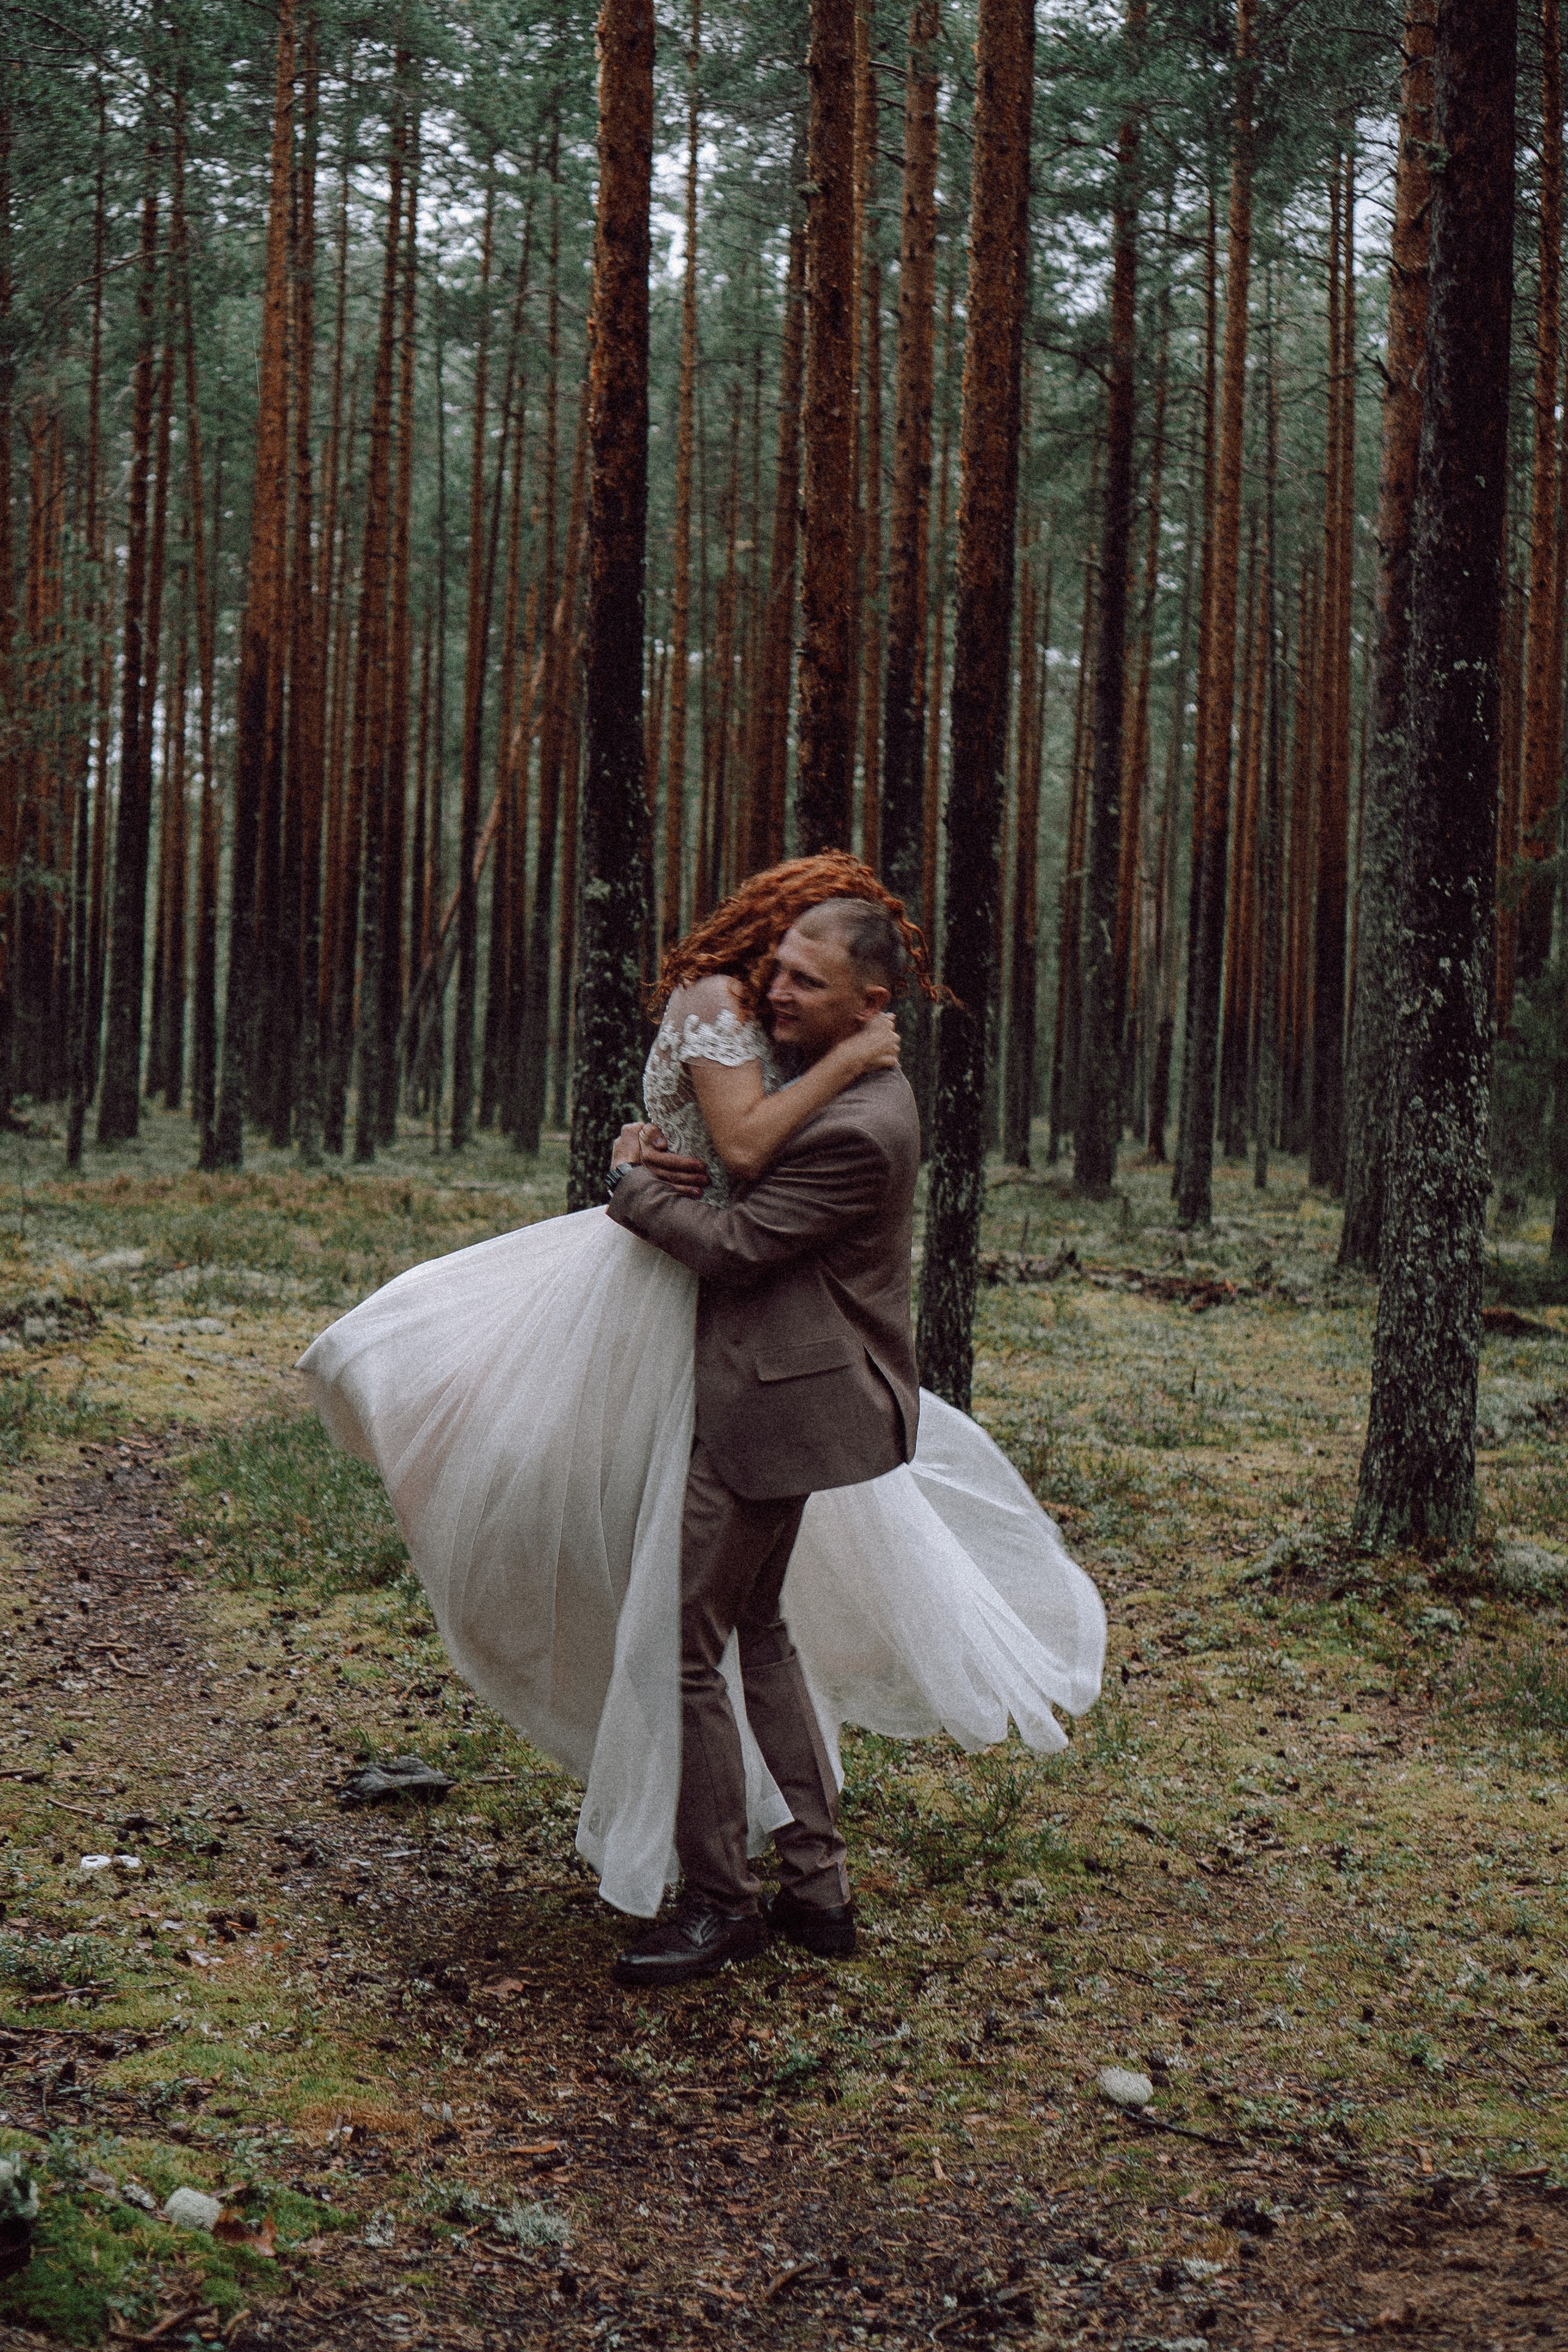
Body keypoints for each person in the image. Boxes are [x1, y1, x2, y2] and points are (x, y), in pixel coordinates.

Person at [298, 853, 1104, 1978]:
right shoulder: (845, 1086)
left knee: (682, 1647)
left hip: (770, 1405)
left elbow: (733, 1244)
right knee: (758, 1631)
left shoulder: (855, 1126)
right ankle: (815, 1891)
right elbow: (739, 1173)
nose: (778, 996)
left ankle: (722, 1903)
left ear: (871, 1006)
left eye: (808, 986)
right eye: (777, 972)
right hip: (780, 1392)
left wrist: (627, 1184)